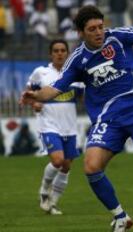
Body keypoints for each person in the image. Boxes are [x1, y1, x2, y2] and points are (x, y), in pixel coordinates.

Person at [20, 5, 133, 232]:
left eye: (101, 26)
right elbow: (54, 89)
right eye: (92, 29)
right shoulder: (78, 60)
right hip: (107, 120)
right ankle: (120, 217)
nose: (99, 32)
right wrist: (36, 95)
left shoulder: (118, 37)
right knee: (91, 167)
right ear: (81, 33)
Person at [26, 39, 83, 215]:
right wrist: (33, 102)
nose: (59, 53)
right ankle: (44, 192)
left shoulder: (76, 75)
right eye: (56, 50)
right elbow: (28, 93)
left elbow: (80, 98)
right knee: (57, 161)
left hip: (70, 127)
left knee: (66, 166)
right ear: (51, 54)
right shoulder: (41, 73)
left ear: (67, 54)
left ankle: (53, 204)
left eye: (63, 50)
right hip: (48, 124)